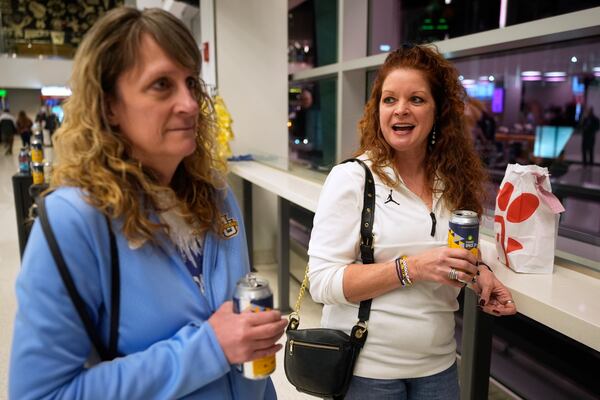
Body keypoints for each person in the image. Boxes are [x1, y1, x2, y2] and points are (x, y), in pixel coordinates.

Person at [9, 7, 287, 399]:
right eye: (161, 85)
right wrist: (209, 347)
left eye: (191, 82)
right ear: (109, 106)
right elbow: (42, 393)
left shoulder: (216, 196)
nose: (190, 104)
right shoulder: (76, 221)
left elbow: (239, 345)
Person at [307, 44, 517, 399]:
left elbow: (454, 251)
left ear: (439, 111)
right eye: (389, 100)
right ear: (378, 111)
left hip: (439, 368)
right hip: (367, 373)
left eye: (416, 99)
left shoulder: (451, 182)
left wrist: (480, 272)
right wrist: (410, 268)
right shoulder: (354, 179)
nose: (400, 110)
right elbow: (322, 282)